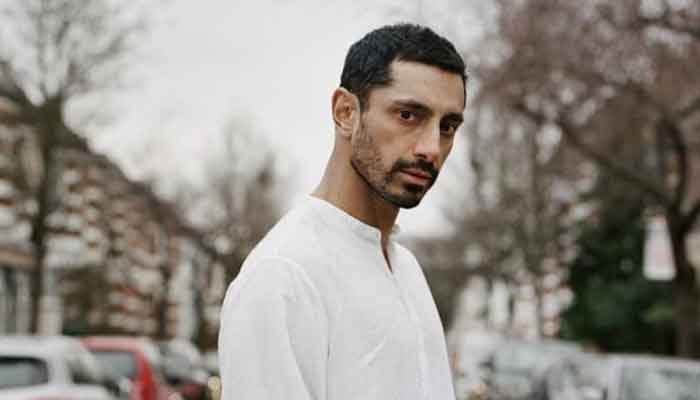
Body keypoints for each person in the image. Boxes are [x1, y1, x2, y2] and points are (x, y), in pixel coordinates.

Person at [218, 23, 467, 400]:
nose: (431, 148)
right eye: (408, 115)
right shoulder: (283, 276)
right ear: (346, 112)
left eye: (447, 126)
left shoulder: (407, 269)